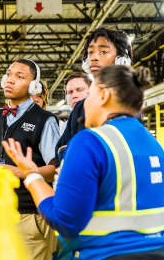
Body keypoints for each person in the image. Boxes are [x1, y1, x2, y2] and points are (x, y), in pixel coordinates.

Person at [2, 65, 164, 260]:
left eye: (88, 95)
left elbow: (64, 220)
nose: (82, 105)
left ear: (104, 96)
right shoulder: (154, 145)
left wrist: (32, 174)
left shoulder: (91, 142)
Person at [0, 59, 60, 260]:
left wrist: (24, 172)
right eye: (8, 73)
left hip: (29, 214)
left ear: (33, 86)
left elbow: (56, 169)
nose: (10, 79)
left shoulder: (44, 120)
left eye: (20, 76)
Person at [55, 26, 133, 168]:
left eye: (103, 52)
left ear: (121, 60)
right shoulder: (80, 108)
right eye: (90, 52)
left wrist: (70, 152)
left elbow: (114, 155)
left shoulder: (126, 105)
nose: (94, 57)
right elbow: (59, 157)